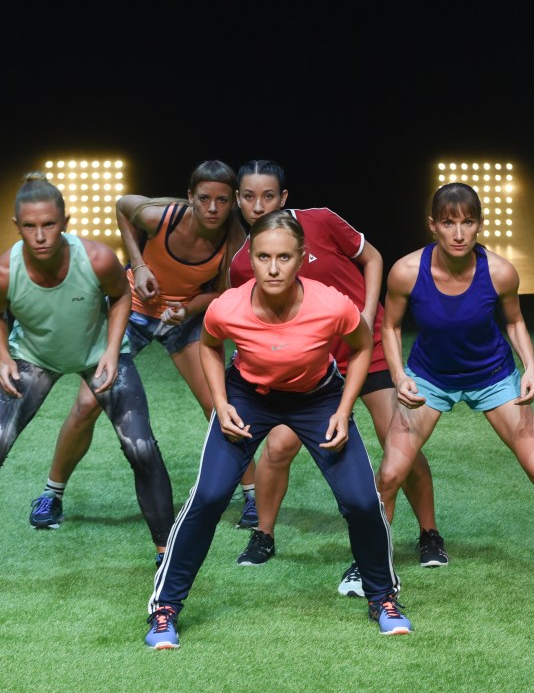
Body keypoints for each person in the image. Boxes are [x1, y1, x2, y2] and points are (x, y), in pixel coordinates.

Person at [145, 211, 408, 650]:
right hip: (249, 397)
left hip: (319, 398)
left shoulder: (332, 304)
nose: (272, 267)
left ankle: (384, 599)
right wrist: (222, 402)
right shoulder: (228, 306)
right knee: (209, 497)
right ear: (251, 255)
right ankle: (165, 608)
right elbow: (210, 346)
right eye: (263, 256)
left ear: (301, 258)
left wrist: (344, 409)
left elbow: (362, 347)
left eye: (283, 257)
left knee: (363, 501)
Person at [374, 182, 534, 592]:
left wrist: (530, 367)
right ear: (433, 225)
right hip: (430, 379)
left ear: (479, 224)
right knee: (391, 473)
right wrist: (399, 376)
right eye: (449, 223)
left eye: (468, 222)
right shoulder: (406, 272)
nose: (459, 233)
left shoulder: (500, 271)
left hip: (493, 378)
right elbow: (390, 326)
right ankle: (372, 566)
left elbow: (515, 321)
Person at [227, 161, 444, 588]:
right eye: (249, 197)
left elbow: (374, 257)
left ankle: (429, 533)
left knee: (398, 440)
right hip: (310, 366)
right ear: (238, 200)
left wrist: (366, 313)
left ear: (283, 199)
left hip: (369, 348)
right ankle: (263, 535)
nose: (258, 205)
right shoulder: (241, 263)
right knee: (277, 448)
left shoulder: (321, 222)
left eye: (268, 196)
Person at [30, 161, 250, 532]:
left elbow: (226, 291)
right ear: (190, 197)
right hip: (131, 311)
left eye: (223, 200)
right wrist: (139, 264)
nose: (213, 208)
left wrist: (189, 307)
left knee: (219, 406)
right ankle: (51, 495)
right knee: (87, 403)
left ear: (232, 203)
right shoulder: (160, 216)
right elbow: (121, 204)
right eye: (205, 199)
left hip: (185, 319)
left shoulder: (233, 239)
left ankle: (253, 497)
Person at [0, 174, 173, 561]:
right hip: (34, 358)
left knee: (141, 448)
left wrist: (113, 350)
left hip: (99, 355)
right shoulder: (5, 272)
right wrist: (3, 356)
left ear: (65, 221)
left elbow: (121, 296)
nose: (40, 235)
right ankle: (53, 495)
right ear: (17, 226)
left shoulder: (96, 258)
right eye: (30, 226)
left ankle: (167, 549)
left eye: (49, 224)